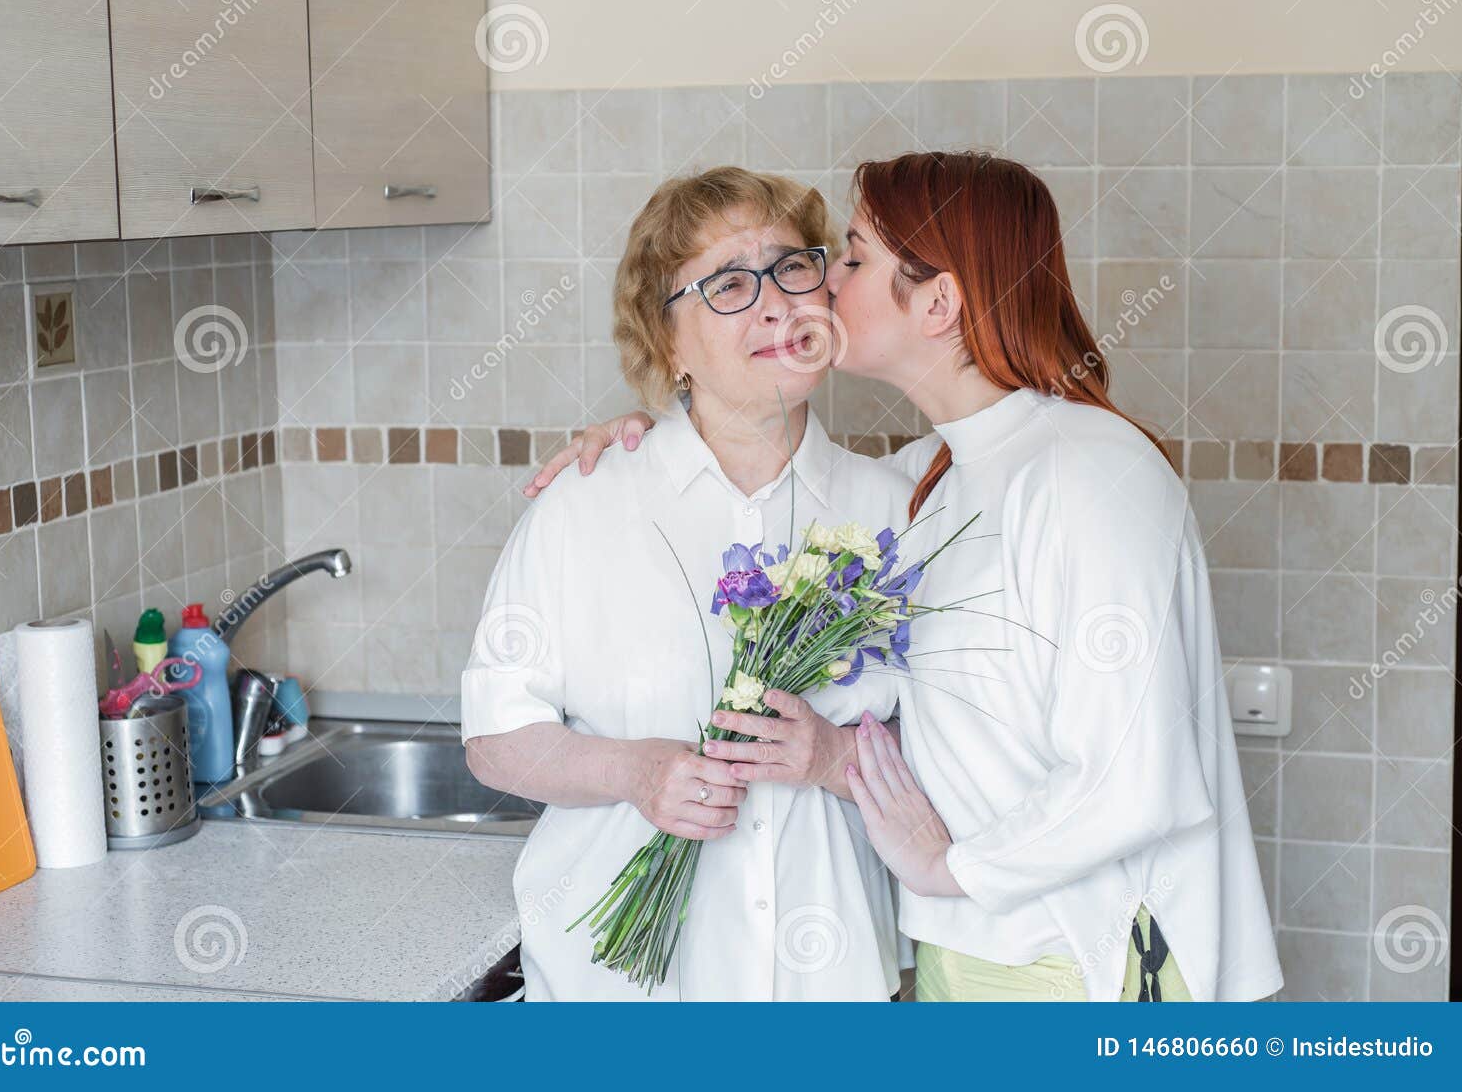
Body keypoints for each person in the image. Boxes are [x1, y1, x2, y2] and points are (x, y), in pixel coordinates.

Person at [521, 151, 1283, 1003]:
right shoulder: (935, 481)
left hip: (1088, 957)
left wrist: (945, 863)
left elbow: (1135, 781)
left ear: (938, 301)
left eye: (848, 259)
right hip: (968, 952)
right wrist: (643, 439)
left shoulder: (1087, 473)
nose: (816, 288)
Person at [461, 167, 915, 1000]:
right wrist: (636, 774)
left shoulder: (899, 513)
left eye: (792, 267)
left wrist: (833, 757)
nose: (776, 303)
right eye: (731, 284)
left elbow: (963, 764)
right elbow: (496, 738)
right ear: (666, 341)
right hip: (619, 1001)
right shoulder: (584, 506)